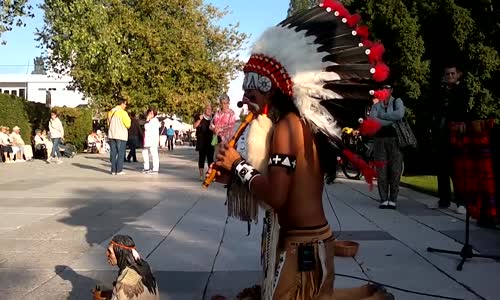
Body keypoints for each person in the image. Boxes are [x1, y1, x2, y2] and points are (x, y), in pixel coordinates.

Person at [207, 1, 393, 299]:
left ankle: (371, 296)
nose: (245, 97)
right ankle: (370, 294)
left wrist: (239, 164)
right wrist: (232, 175)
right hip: (306, 241)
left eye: (251, 87)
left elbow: (277, 196)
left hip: (304, 247)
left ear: (272, 85)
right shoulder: (297, 124)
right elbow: (280, 188)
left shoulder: (287, 128)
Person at [430, 64, 468, 214]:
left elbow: (462, 109)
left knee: (456, 169)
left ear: (458, 74)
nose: (450, 76)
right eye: (447, 74)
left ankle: (461, 202)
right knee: (442, 169)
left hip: (455, 133)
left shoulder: (462, 90)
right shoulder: (442, 91)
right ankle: (444, 200)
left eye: (452, 74)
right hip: (442, 133)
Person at [369, 85, 405, 209]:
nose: (385, 90)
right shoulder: (376, 105)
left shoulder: (397, 102)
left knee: (395, 169)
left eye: (388, 88)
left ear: (391, 90)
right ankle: (384, 198)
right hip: (379, 139)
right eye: (383, 88)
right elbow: (373, 119)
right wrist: (389, 120)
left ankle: (393, 199)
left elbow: (400, 114)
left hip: (395, 139)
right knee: (381, 170)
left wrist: (382, 117)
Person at [102, 235, 159, 299]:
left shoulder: (124, 285)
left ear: (120, 254)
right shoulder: (146, 270)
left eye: (110, 251)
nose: (107, 254)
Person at [108, 98, 131, 175]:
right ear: (122, 104)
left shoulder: (111, 111)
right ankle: (119, 170)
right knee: (121, 153)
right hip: (121, 135)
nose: (125, 106)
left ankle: (113, 170)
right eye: (125, 104)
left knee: (113, 153)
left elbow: (108, 123)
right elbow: (128, 124)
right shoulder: (123, 113)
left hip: (112, 134)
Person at [194, 104, 215, 181]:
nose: (209, 110)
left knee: (211, 159)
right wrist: (199, 120)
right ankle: (201, 175)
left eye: (210, 109)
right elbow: (194, 126)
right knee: (201, 158)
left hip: (210, 141)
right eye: (207, 109)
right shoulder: (200, 117)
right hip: (201, 141)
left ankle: (210, 175)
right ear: (204, 110)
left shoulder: (213, 118)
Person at [142, 108, 161, 174]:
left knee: (154, 154)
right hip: (147, 140)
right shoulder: (151, 121)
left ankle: (155, 169)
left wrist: (147, 120)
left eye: (152, 113)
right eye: (149, 113)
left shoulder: (154, 121)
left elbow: (147, 128)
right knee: (145, 154)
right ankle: (146, 168)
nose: (150, 114)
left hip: (152, 140)